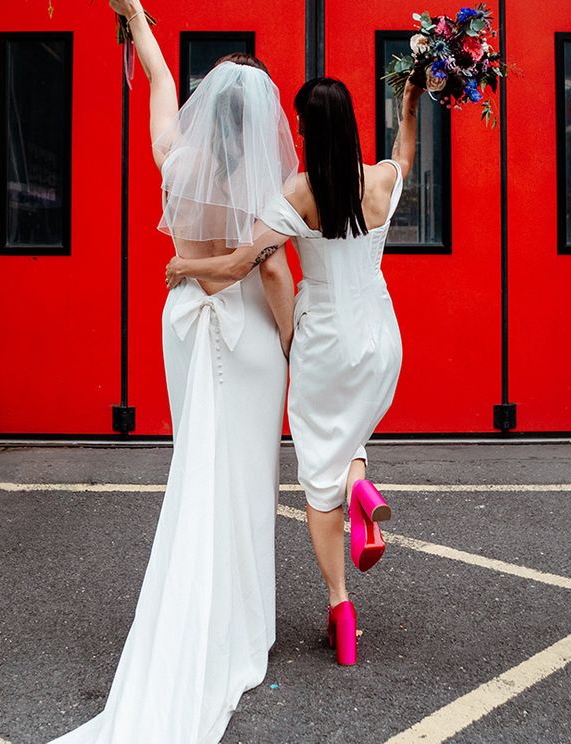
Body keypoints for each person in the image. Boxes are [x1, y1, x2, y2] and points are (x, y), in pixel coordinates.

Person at [44, 0, 298, 744]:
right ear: (260, 123)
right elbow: (274, 273)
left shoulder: (174, 157)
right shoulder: (265, 186)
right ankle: (244, 624)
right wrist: (294, 343)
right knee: (248, 471)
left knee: (198, 460)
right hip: (247, 332)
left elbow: (155, 73)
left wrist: (130, 2)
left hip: (185, 323)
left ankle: (211, 602)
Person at [165, 75, 420, 666]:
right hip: (381, 337)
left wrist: (183, 261)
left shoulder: (300, 192)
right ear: (353, 124)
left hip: (324, 339)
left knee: (315, 478)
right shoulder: (380, 181)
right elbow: (405, 153)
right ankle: (361, 482)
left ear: (309, 131)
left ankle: (340, 606)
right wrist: (409, 106)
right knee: (350, 435)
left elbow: (238, 264)